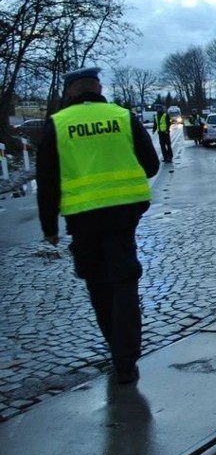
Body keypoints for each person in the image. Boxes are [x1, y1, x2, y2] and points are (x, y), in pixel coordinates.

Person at [37, 67, 160, 384]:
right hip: (123, 216)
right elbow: (151, 165)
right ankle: (126, 360)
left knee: (98, 285)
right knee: (124, 283)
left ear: (70, 92)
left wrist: (49, 226)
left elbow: (47, 180)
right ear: (98, 87)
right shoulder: (122, 117)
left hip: (83, 218)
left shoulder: (58, 124)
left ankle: (115, 348)